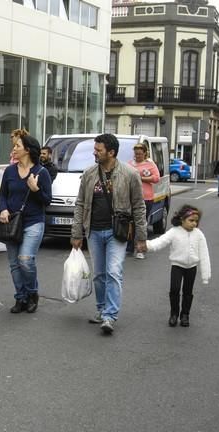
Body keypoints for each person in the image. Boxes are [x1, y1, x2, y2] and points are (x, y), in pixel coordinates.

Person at [70, 133, 147, 335]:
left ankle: (110, 316)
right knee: (99, 275)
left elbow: (139, 207)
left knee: (113, 272)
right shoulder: (89, 174)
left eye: (98, 150)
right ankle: (101, 308)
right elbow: (80, 204)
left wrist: (141, 237)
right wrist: (76, 232)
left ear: (111, 152)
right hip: (93, 231)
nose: (95, 153)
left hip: (117, 232)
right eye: (95, 149)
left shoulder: (130, 174)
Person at [0, 135, 52, 313]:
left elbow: (47, 200)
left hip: (33, 222)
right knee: (14, 263)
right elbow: (2, 195)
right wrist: (4, 209)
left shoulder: (41, 172)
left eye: (17, 146)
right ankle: (20, 298)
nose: (13, 149)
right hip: (12, 222)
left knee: (25, 260)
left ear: (27, 150)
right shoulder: (9, 171)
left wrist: (35, 189)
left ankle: (32, 293)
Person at [146, 205, 210, 327]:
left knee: (188, 291)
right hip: (177, 266)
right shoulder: (174, 232)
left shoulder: (199, 234)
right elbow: (160, 241)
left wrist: (205, 275)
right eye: (191, 220)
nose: (194, 224)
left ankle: (185, 315)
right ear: (182, 219)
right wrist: (147, 245)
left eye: (196, 221)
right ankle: (174, 314)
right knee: (174, 290)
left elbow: (204, 254)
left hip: (191, 267)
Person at [126, 143, 159, 259]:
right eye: (136, 154)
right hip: (131, 198)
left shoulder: (150, 164)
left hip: (146, 198)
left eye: (140, 153)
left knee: (141, 224)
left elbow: (156, 178)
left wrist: (142, 178)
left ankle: (140, 249)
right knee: (131, 224)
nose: (138, 156)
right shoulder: (129, 164)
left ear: (145, 153)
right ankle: (129, 248)